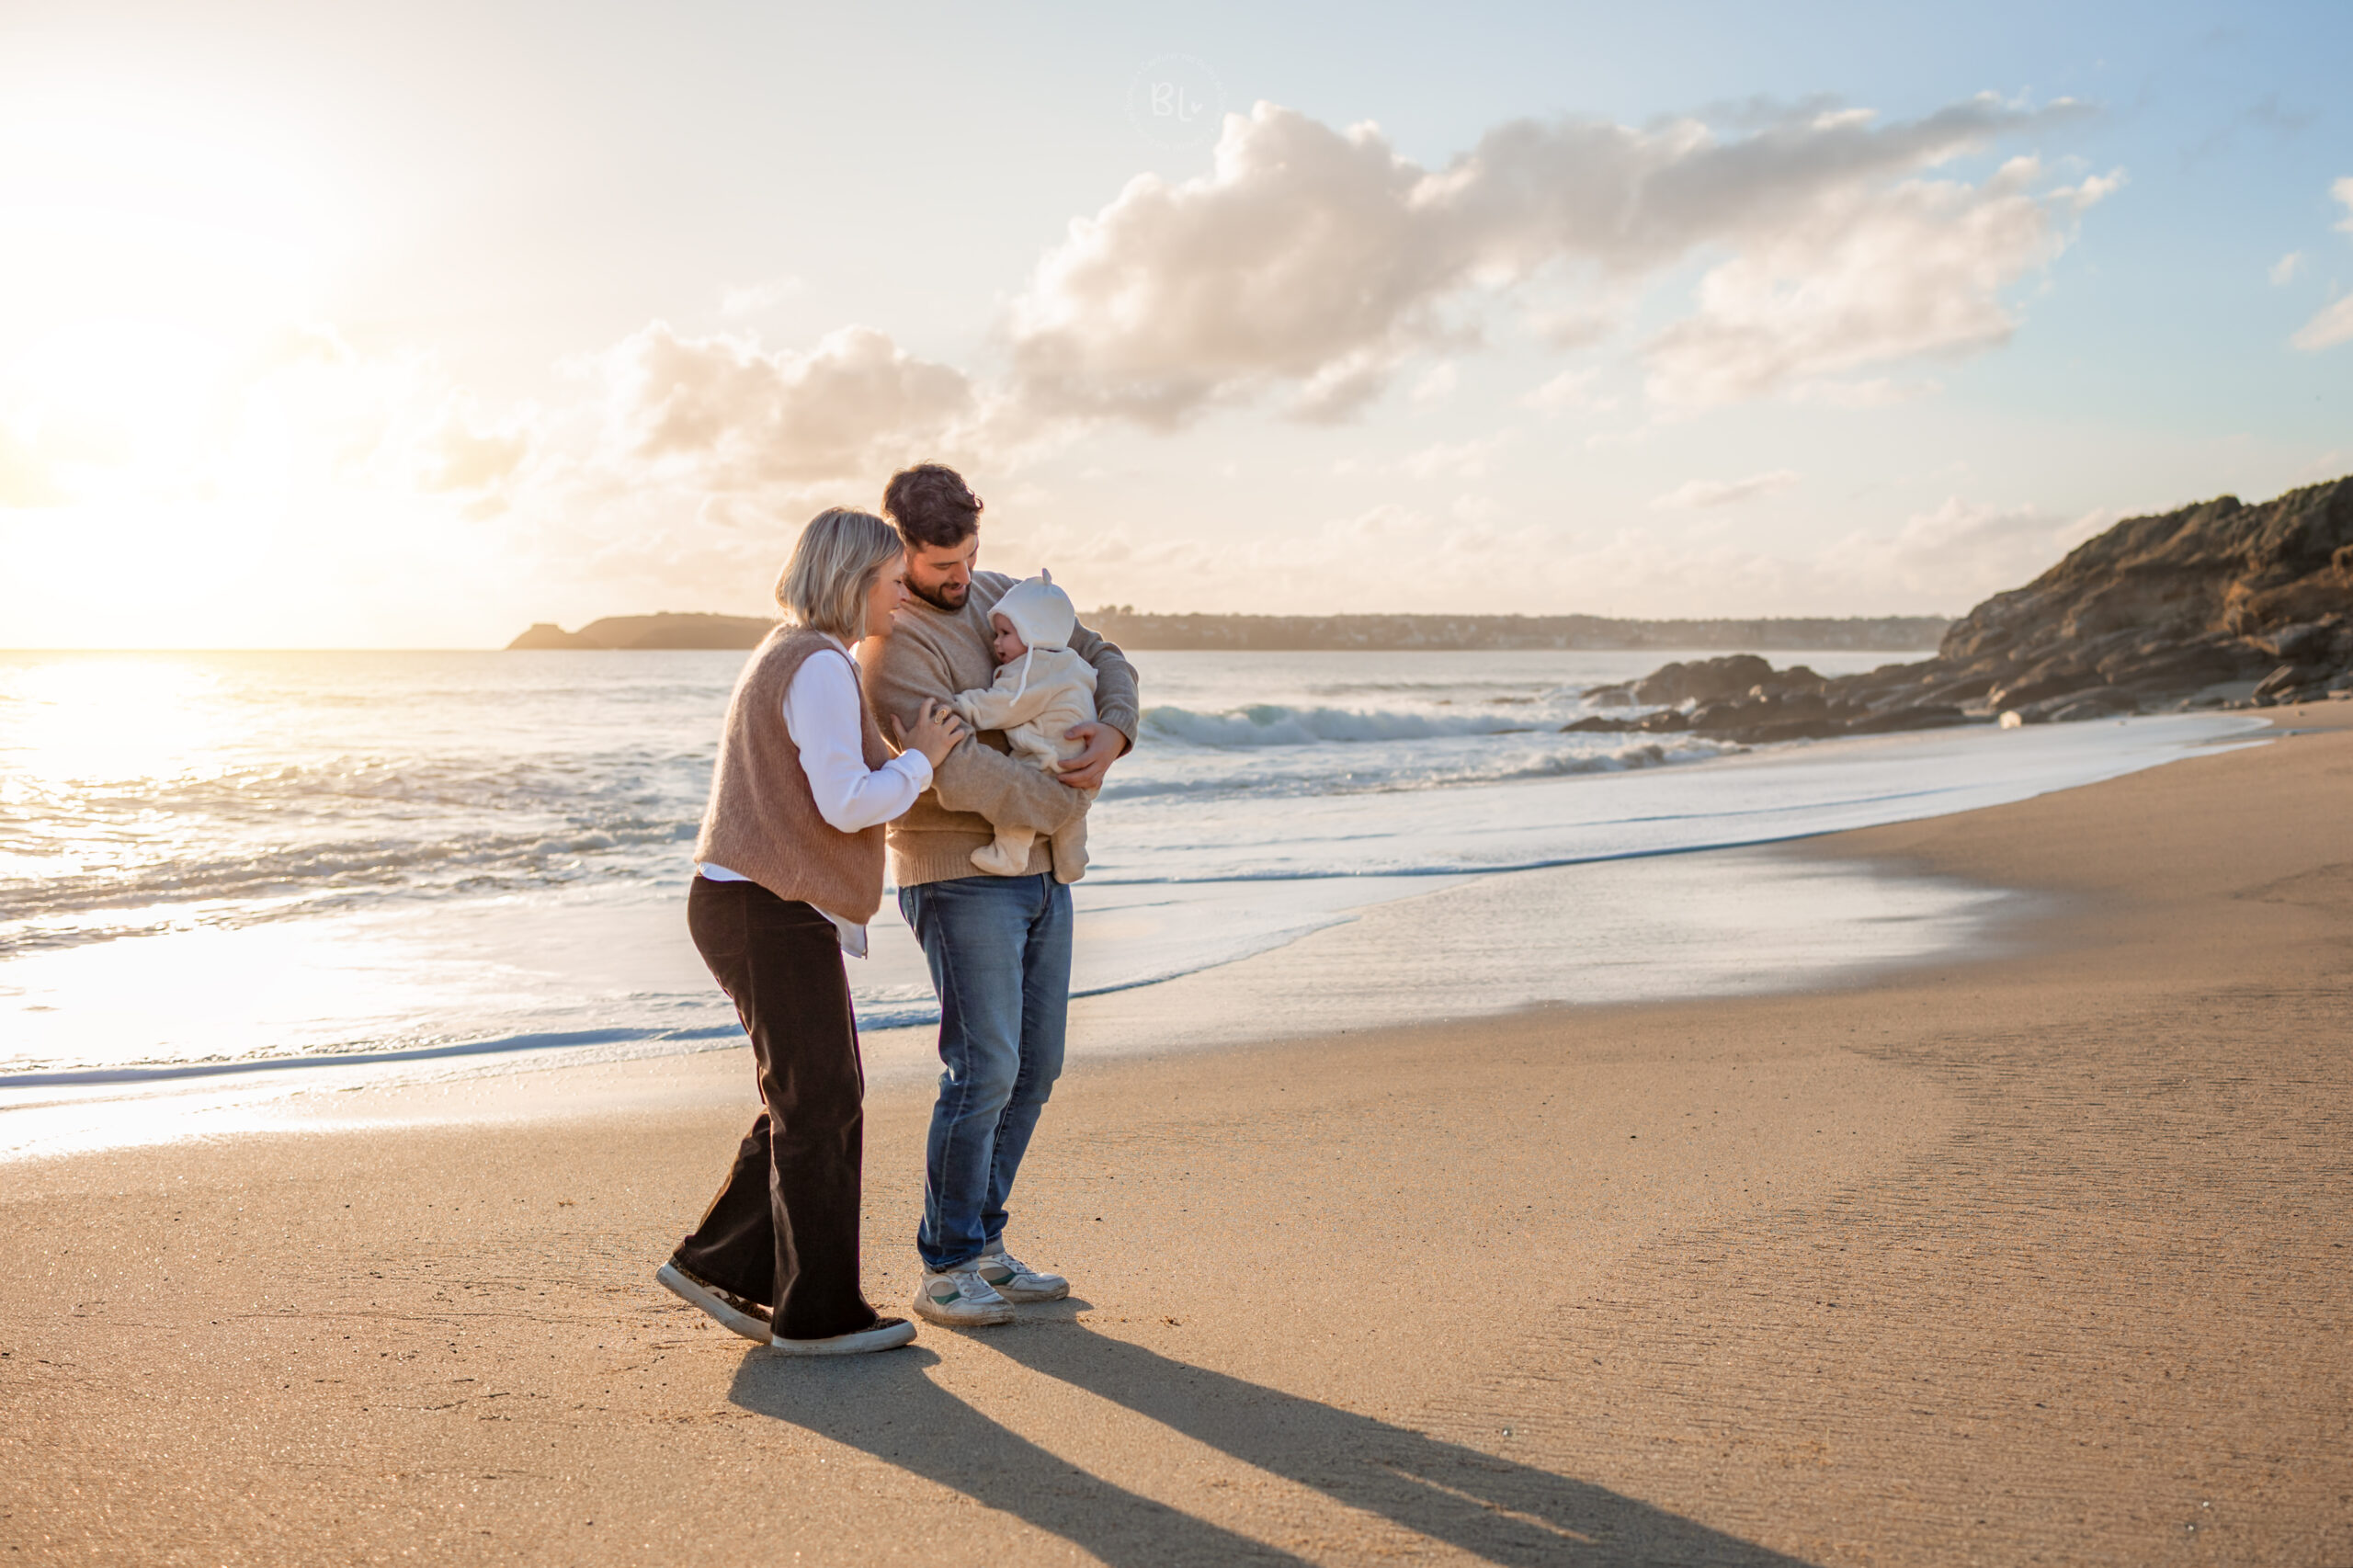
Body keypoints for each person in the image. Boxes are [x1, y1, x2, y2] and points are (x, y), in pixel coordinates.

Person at [656, 506, 968, 1357]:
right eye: (892, 582)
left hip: (750, 905)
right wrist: (921, 759)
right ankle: (818, 1316)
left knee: (809, 1097)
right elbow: (846, 801)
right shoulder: (821, 664)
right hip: (762, 910)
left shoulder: (790, 651)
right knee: (821, 1100)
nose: (902, 598)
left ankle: (720, 1267)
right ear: (853, 580)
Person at [865, 463, 1139, 1329]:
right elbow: (957, 771)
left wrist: (1115, 731)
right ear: (901, 550)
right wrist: (1068, 803)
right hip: (955, 872)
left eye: (969, 557)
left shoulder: (1003, 596)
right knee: (982, 1068)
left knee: (1036, 1066)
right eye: (942, 565)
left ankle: (983, 1244)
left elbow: (1103, 656)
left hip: (1043, 872)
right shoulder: (892, 642)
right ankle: (945, 1267)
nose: (962, 579)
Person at [947, 568, 1099, 882]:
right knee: (1072, 816)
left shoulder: (1034, 670)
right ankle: (1072, 861)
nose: (996, 643)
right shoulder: (1071, 663)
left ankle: (1010, 855)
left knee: (1018, 800)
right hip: (1081, 761)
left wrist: (962, 705)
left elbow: (1002, 706)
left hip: (1046, 757)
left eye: (1005, 633)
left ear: (1035, 631)